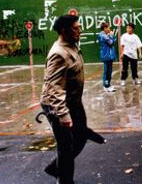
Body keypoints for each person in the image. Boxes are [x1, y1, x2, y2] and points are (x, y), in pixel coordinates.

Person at [39, 15, 105, 184]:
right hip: (57, 106)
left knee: (80, 136)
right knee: (66, 148)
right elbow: (53, 88)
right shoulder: (58, 53)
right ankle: (64, 179)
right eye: (76, 28)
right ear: (64, 31)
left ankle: (55, 168)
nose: (80, 30)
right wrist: (63, 115)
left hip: (74, 102)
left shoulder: (72, 45)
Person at [98, 22, 116, 92]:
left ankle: (108, 85)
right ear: (105, 28)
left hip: (109, 56)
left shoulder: (105, 35)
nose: (109, 29)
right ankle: (106, 86)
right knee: (107, 71)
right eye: (108, 27)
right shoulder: (103, 36)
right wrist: (111, 36)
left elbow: (113, 41)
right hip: (106, 56)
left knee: (109, 71)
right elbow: (111, 43)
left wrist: (111, 37)